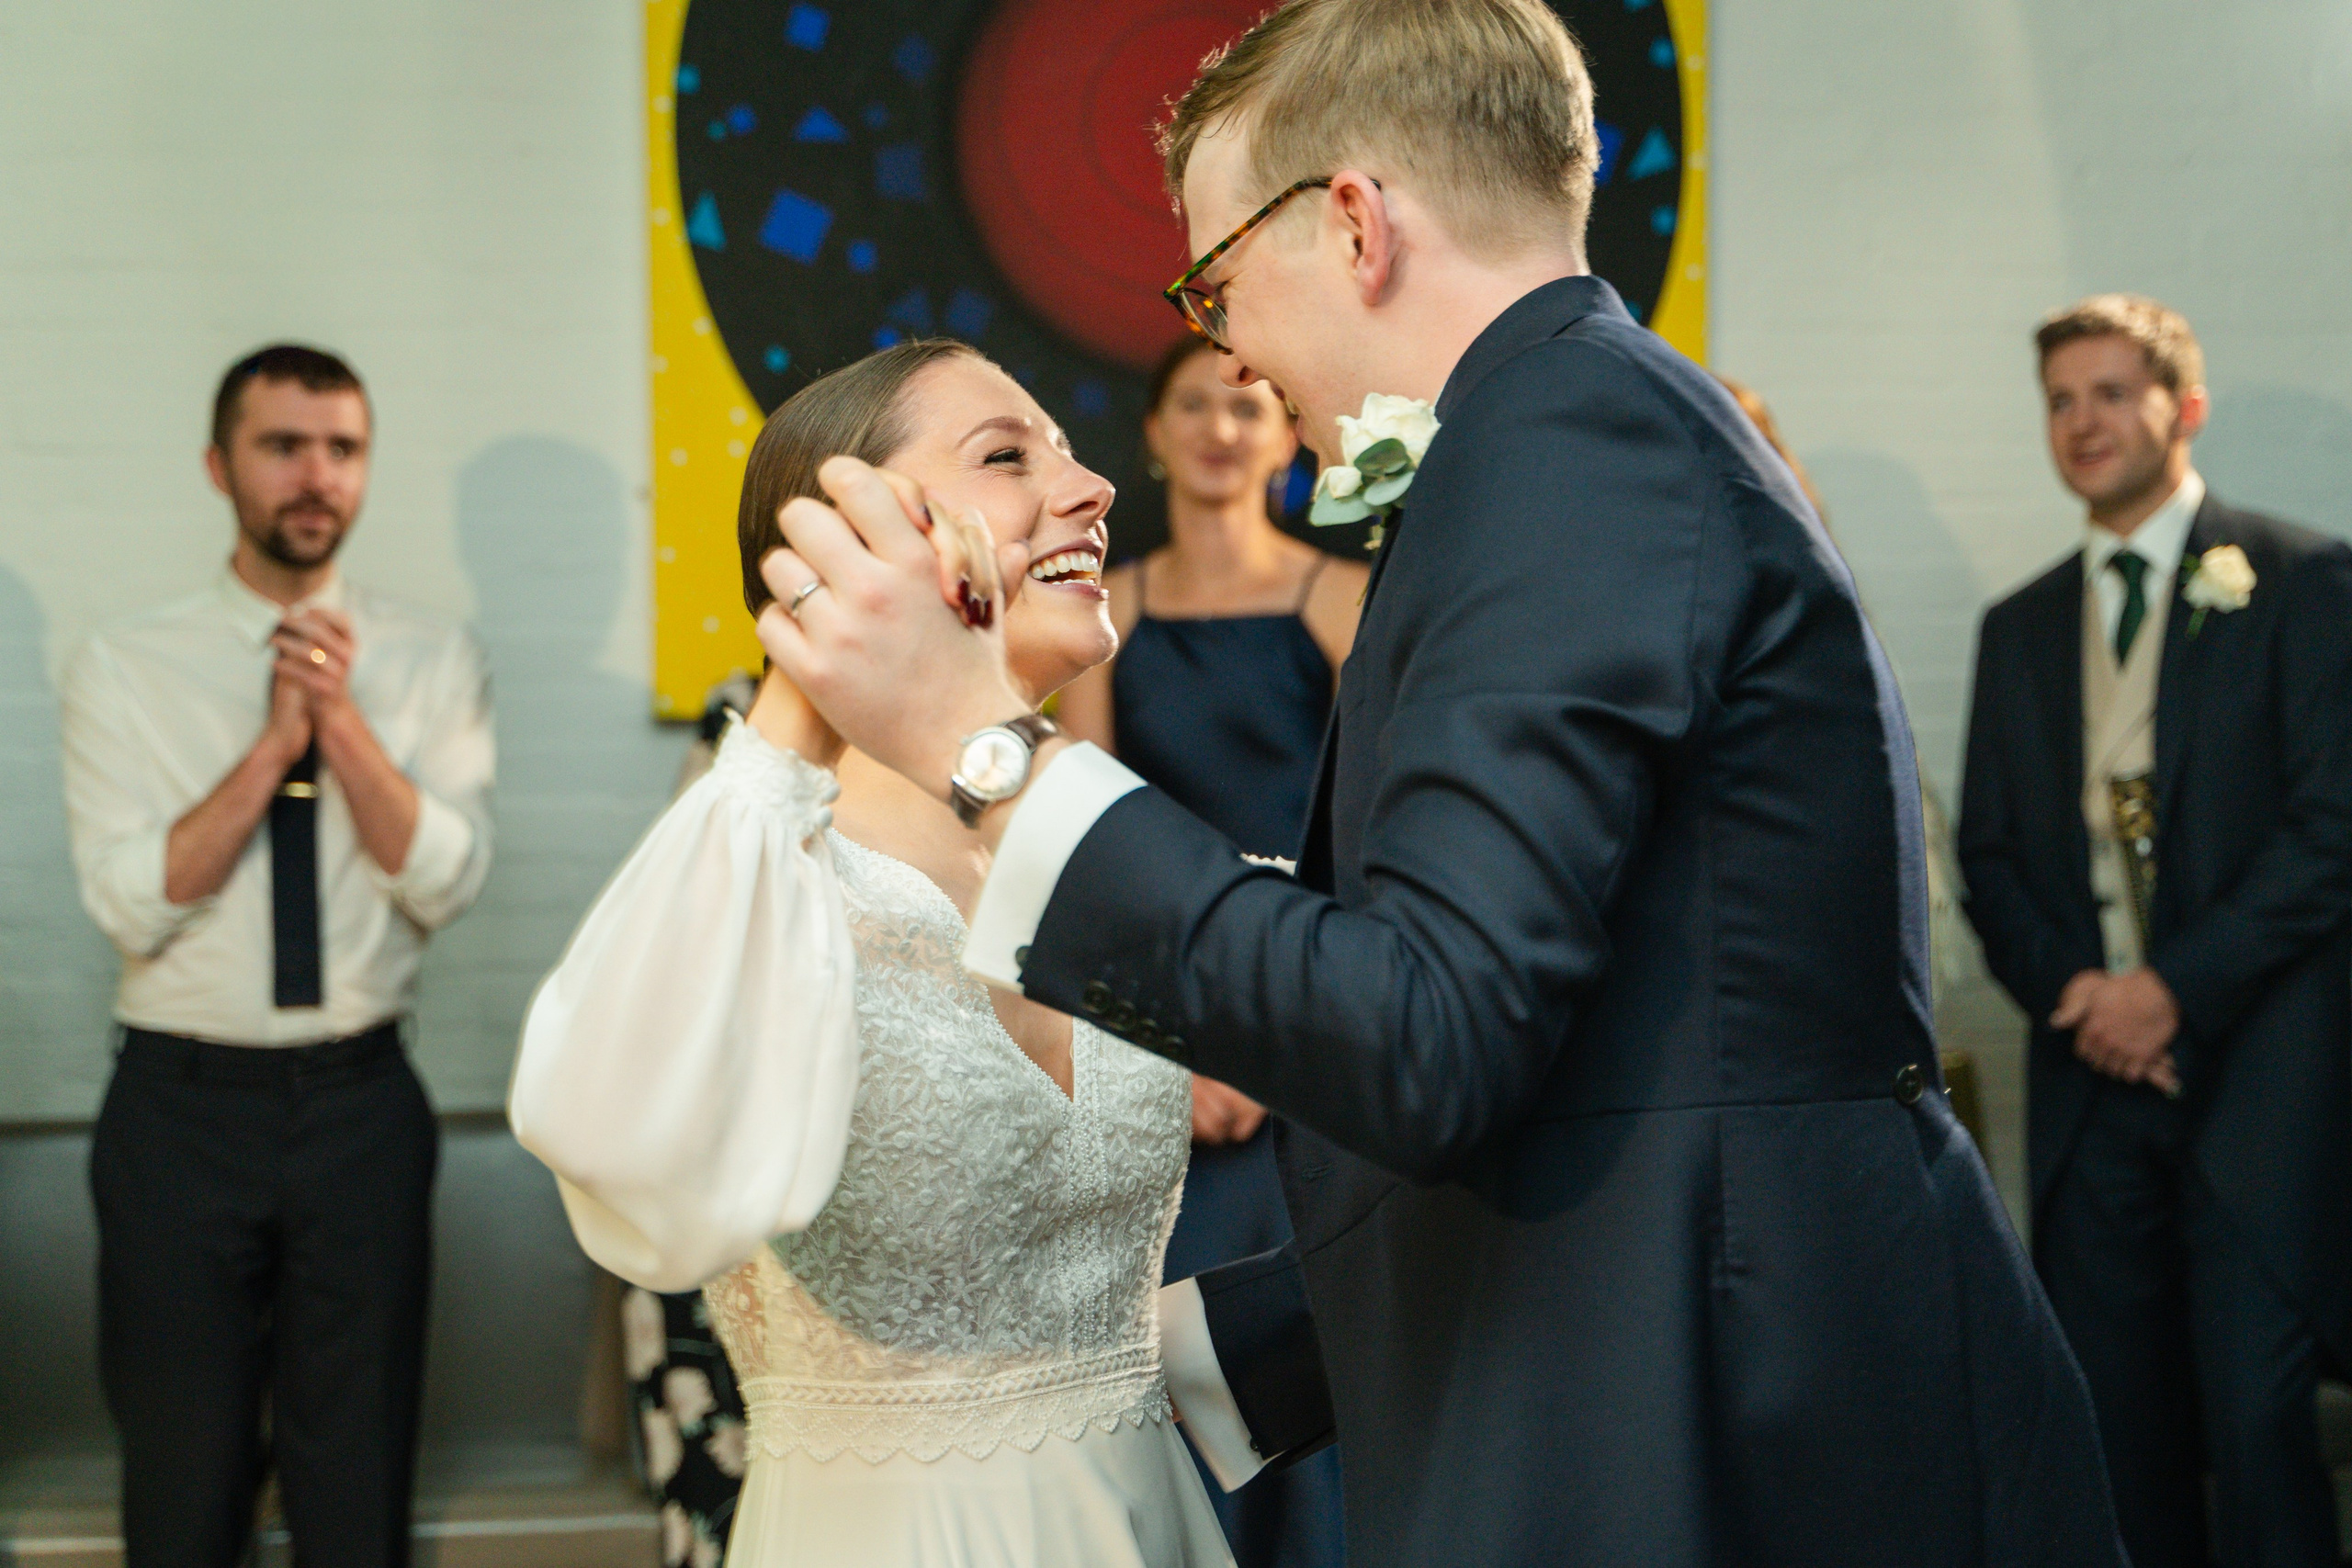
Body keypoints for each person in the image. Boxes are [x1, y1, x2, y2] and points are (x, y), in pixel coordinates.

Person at [746, 0, 2132, 1562]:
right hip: (1680, 1335)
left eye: (1214, 279)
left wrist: (988, 753)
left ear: (1351, 223)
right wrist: (1223, 1354)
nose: (1226, 343)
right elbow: (1604, 1054)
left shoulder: (1564, 437)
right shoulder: (1571, 425)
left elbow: (1435, 1027)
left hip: (1728, 1413)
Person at [510, 339, 1239, 1568]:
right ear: (849, 533)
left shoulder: (1092, 848)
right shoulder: (766, 874)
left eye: (1068, 450)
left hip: (1146, 1516)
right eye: (1009, 457)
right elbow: (614, 1138)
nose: (1094, 488)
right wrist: (808, 681)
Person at [59, 344, 494, 1568]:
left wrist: (340, 724)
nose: (316, 476)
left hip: (361, 1104)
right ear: (219, 466)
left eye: (342, 450)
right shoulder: (124, 665)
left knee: (356, 1495)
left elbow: (446, 882)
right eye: (283, 446)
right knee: (184, 1490)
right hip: (177, 1111)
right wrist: (271, 747)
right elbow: (131, 905)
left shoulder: (432, 656)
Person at [1959, 295, 2352, 1568]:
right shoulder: (2015, 628)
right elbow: (1993, 860)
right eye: (2061, 401)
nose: (2082, 423)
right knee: (2116, 1436)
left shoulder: (2300, 580)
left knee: (2254, 1420)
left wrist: (2169, 991)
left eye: (2110, 394)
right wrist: (2085, 998)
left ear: (2183, 408)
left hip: (2259, 1086)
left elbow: (2329, 832)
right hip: (2093, 1088)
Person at [1058, 336, 1359, 1568]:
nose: (1223, 426)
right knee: (1182, 1370)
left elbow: (1372, 845)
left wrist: (1297, 1037)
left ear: (1288, 434)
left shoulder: (1343, 598)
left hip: (1322, 1019)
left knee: (1324, 1361)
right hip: (1171, 1035)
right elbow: (1088, 854)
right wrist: (1173, 1053)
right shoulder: (1104, 615)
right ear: (1153, 433)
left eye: (1249, 403)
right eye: (1194, 402)